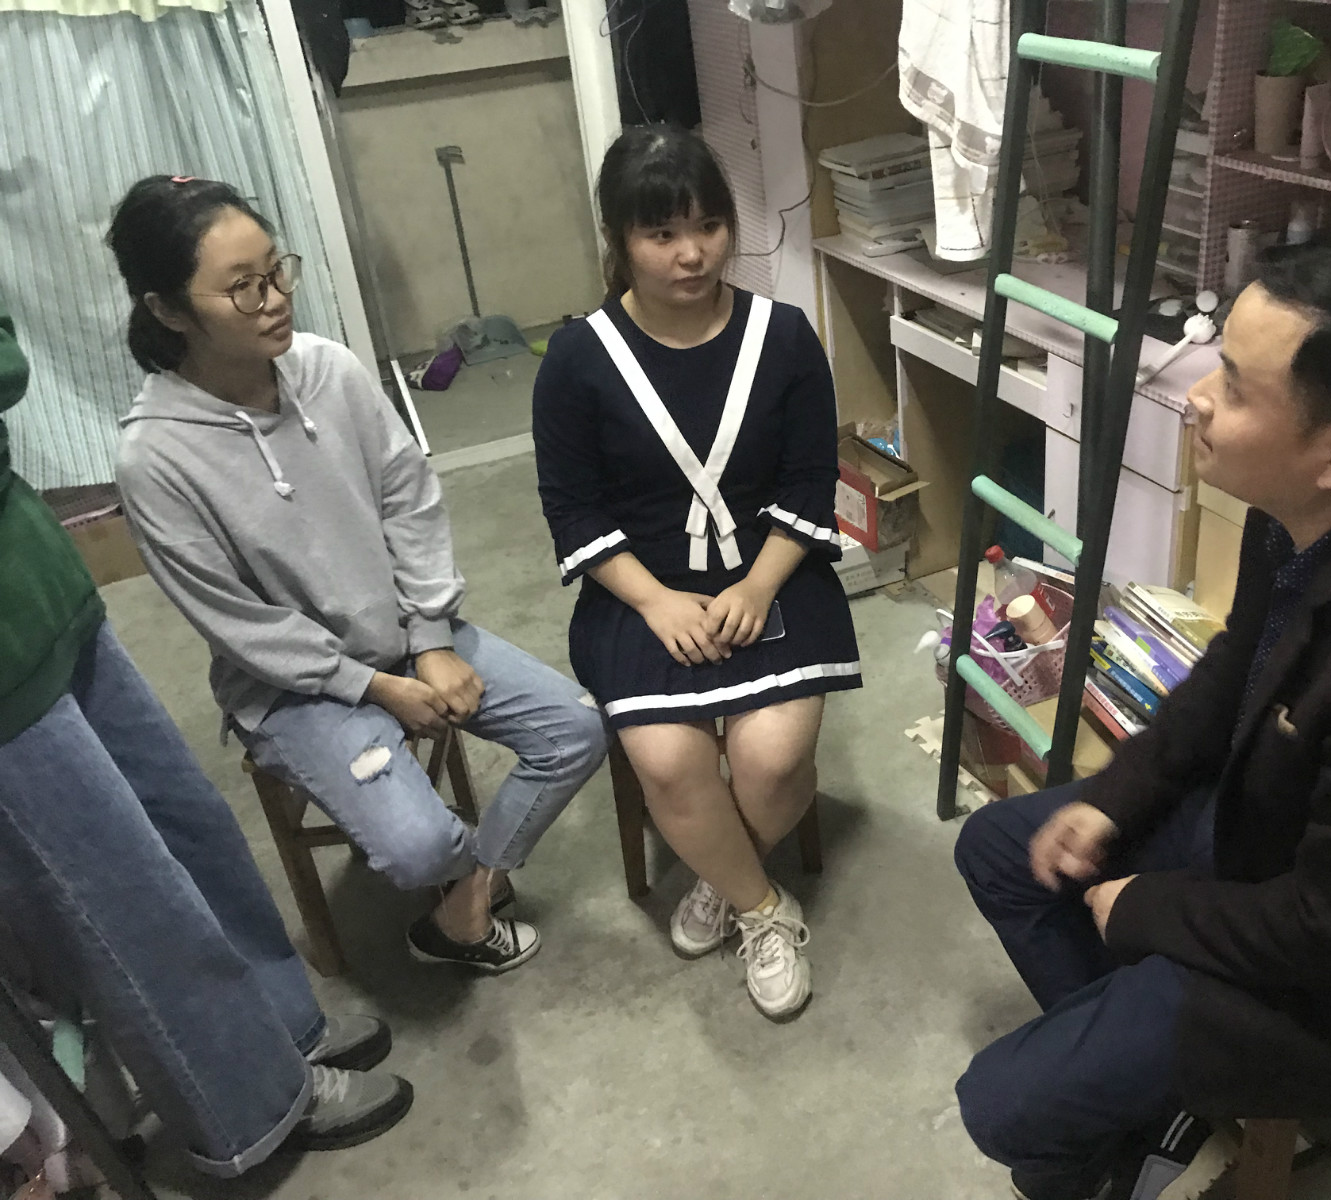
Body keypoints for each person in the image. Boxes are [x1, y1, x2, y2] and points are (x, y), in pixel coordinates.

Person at [953, 242, 1331, 1200]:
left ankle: (1120, 1127)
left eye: (1237, 387)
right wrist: (1117, 797)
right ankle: (1148, 1103)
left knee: (1000, 1107)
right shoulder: (1312, 500)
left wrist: (1146, 909)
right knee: (1006, 851)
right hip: (1287, 834)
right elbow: (1235, 667)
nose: (1198, 398)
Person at [108, 176, 608, 974]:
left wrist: (431, 637)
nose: (275, 299)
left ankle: (465, 902)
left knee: (576, 729)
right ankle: (455, 879)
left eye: (277, 271)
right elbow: (239, 625)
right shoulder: (155, 458)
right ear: (167, 310)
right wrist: (376, 688)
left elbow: (410, 499)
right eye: (243, 288)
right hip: (294, 688)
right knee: (416, 848)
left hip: (405, 633)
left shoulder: (330, 370)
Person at [0, 297, 411, 1174]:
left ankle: (284, 1027)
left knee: (193, 829)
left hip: (36, 583)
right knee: (123, 898)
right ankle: (252, 1107)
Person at [531, 126, 861, 1020]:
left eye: (709, 226)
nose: (692, 254)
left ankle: (721, 874)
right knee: (671, 762)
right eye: (661, 233)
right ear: (618, 239)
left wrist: (757, 585)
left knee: (772, 760)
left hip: (772, 571)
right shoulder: (577, 359)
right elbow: (573, 511)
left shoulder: (782, 336)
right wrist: (655, 601)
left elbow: (809, 483)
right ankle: (763, 905)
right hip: (639, 586)